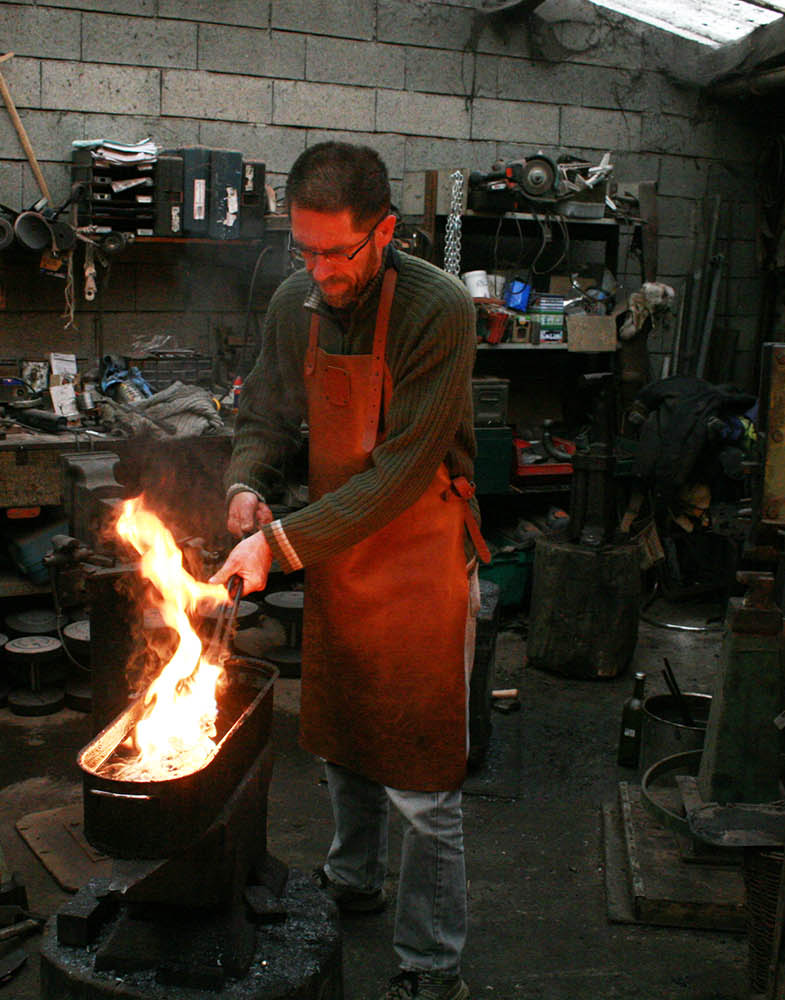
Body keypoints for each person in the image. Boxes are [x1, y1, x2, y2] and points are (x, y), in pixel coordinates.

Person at [213, 142, 488, 1000]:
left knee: (422, 778)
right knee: (344, 740)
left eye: (339, 252)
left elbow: (401, 473)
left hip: (419, 559)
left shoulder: (437, 310)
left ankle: (432, 967)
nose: (322, 272)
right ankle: (353, 880)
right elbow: (265, 414)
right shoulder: (295, 300)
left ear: (386, 231)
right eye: (306, 250)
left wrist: (281, 546)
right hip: (336, 549)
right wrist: (247, 484)